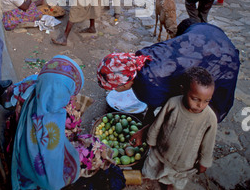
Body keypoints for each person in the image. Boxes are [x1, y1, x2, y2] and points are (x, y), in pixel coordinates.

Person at [8, 55, 117, 190]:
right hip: (35, 171)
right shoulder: (56, 118)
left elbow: (9, 96)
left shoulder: (36, 82)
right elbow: (52, 165)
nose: (71, 96)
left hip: (22, 137)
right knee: (94, 148)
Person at [97, 19, 240, 125]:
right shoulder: (141, 56)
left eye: (115, 87)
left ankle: (204, 130)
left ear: (124, 83)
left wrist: (151, 125)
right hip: (205, 32)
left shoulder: (147, 88)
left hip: (222, 58)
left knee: (208, 100)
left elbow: (171, 103)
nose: (116, 90)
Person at [142, 66, 217, 190]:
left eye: (206, 101)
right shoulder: (173, 104)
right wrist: (151, 141)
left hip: (185, 160)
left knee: (175, 175)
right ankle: (151, 176)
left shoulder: (210, 118)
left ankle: (169, 184)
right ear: (184, 90)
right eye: (195, 99)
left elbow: (208, 143)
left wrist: (204, 162)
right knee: (155, 165)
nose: (200, 105)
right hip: (162, 150)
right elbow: (158, 123)